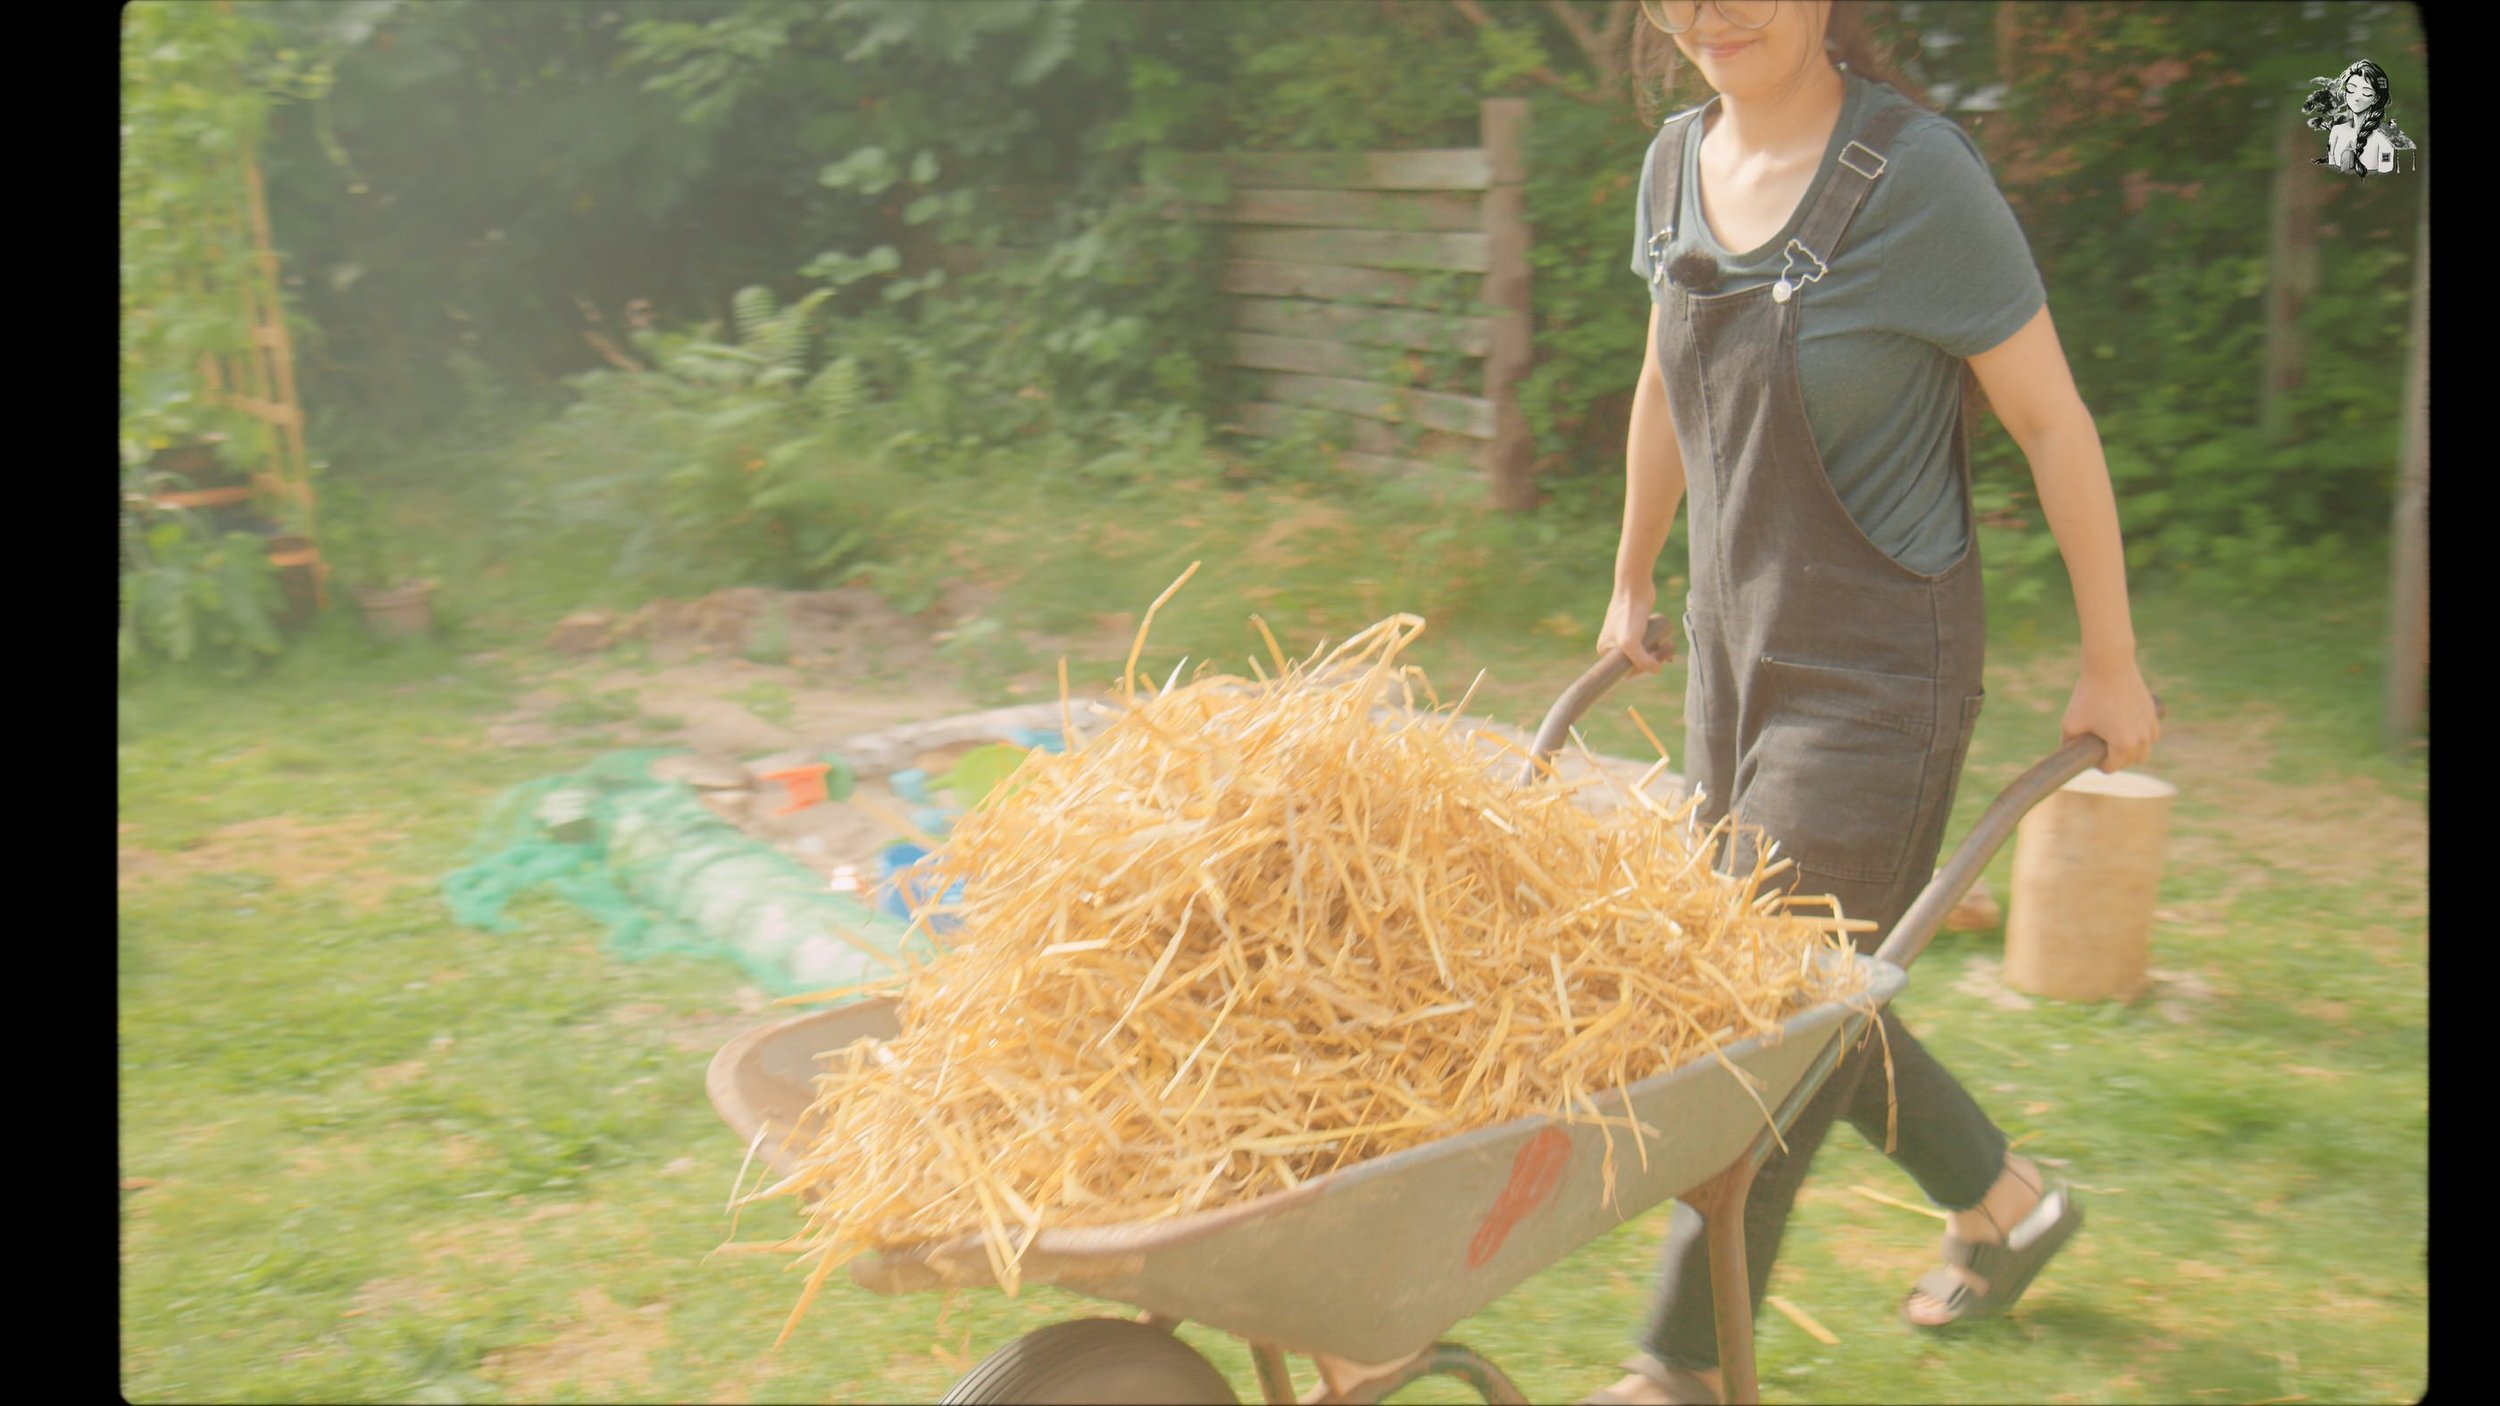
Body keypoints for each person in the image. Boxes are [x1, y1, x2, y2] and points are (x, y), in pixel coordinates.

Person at [1587, 2, 2161, 1401]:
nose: (1713, 9)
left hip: (1876, 679)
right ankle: (2009, 1199)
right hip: (1735, 660)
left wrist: (2112, 658)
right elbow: (1669, 377)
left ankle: (1680, 1365)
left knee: (1767, 1018)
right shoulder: (1674, 163)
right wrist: (1630, 575)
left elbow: (2050, 418)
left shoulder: (1917, 177)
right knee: (1813, 992)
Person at [2303, 59, 2412, 178]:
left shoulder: (2385, 136)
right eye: (2351, 89)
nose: (2356, 97)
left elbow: (2386, 175)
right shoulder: (2337, 131)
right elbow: (2331, 170)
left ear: (2376, 98)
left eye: (2366, 92)